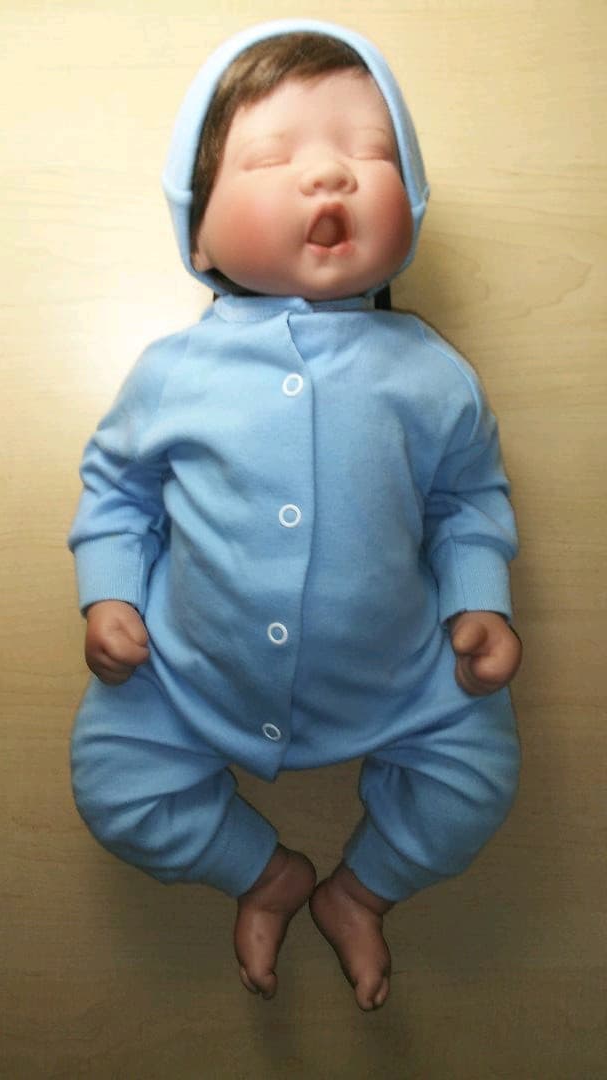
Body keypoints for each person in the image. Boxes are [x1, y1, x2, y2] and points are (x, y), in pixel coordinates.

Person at [69, 19, 522, 1011]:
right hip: (188, 674)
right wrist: (108, 596)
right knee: (112, 785)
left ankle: (359, 893)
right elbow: (115, 491)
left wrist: (479, 599)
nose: (328, 174)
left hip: (401, 676)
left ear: (411, 207)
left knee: (477, 779)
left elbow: (467, 497)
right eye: (273, 157)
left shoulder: (431, 373)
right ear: (197, 233)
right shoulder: (170, 374)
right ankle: (262, 874)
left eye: (370, 152)